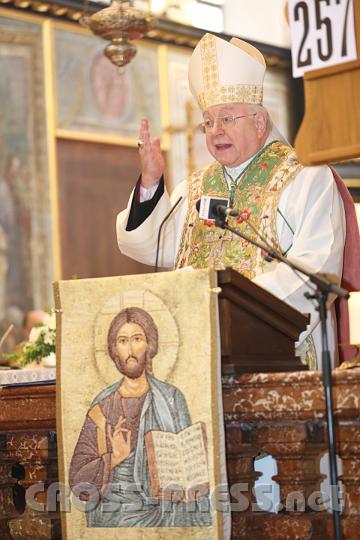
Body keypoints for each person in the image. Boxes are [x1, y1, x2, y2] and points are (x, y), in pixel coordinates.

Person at [116, 33, 360, 368]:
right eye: (208, 121)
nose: (215, 130)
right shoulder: (194, 188)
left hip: (284, 352)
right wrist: (150, 182)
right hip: (203, 357)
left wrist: (231, 309)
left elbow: (316, 270)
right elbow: (147, 246)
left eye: (227, 118)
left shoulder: (306, 179)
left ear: (260, 122)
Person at [69, 307, 211, 528]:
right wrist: (113, 458)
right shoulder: (102, 406)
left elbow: (190, 471)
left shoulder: (171, 398)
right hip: (113, 511)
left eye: (137, 339)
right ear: (114, 350)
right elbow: (78, 479)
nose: (130, 349)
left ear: (150, 346)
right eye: (123, 341)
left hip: (165, 509)